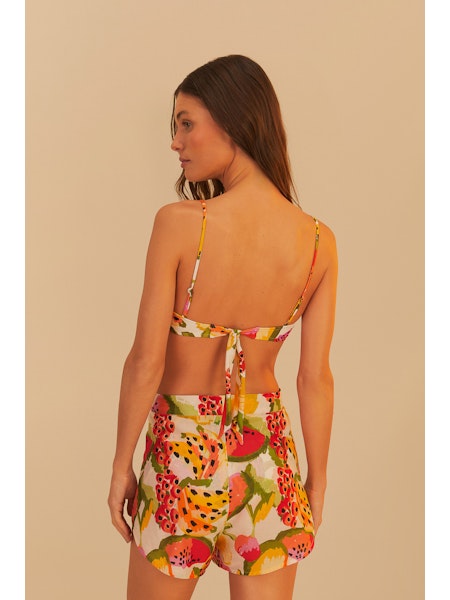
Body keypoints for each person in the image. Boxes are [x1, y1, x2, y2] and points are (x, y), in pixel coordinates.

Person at [108, 55, 337, 600]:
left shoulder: (179, 224)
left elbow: (146, 360)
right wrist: (317, 479)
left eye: (186, 123)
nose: (175, 142)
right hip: (270, 457)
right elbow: (315, 378)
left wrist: (122, 465)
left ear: (234, 120)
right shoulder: (318, 242)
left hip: (180, 451)